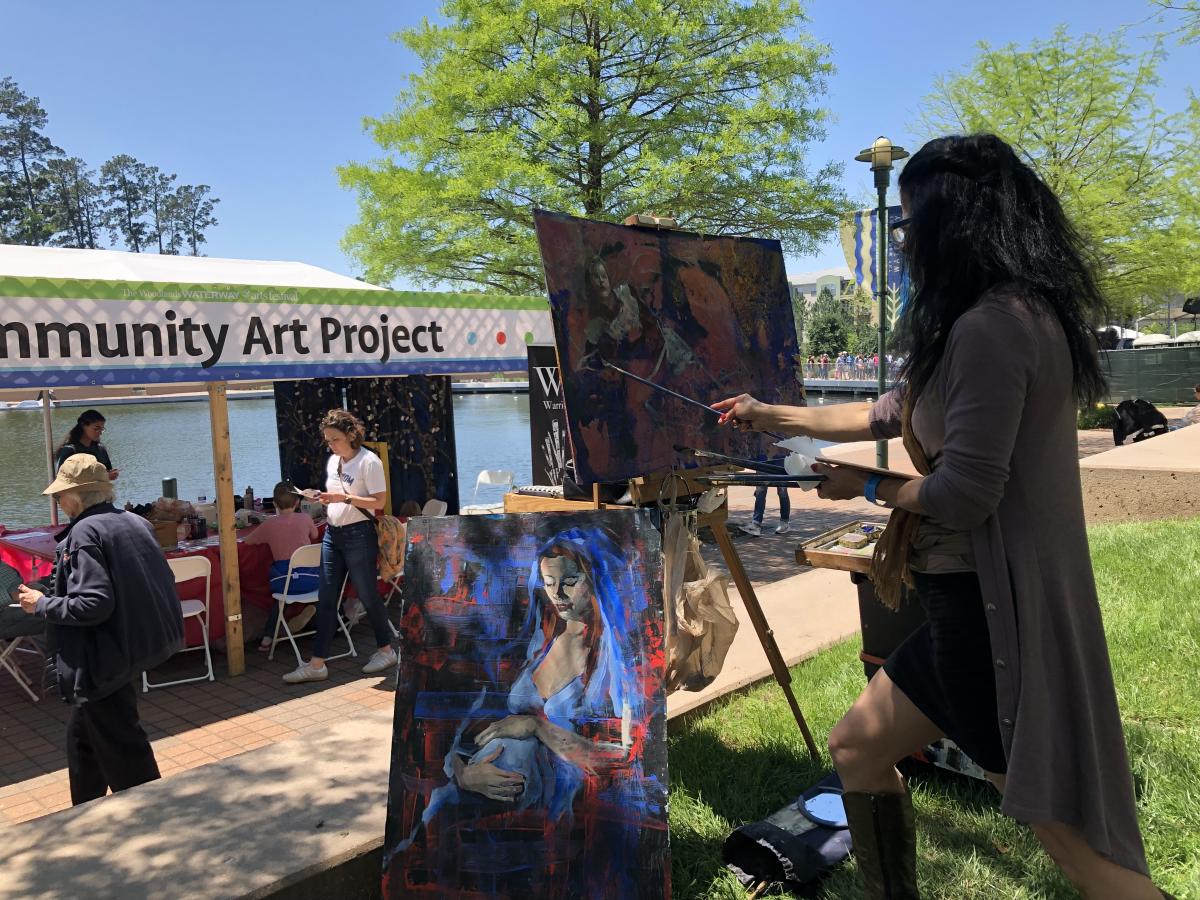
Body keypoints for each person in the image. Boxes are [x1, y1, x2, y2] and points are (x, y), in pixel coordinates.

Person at [713, 134, 1167, 899]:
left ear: (955, 221)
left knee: (1075, 850)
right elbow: (887, 411)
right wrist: (767, 413)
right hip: (963, 609)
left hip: (989, 625)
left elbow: (962, 493)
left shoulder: (994, 327)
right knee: (857, 746)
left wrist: (866, 490)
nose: (906, 241)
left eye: (912, 220)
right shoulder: (1002, 317)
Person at [386, 527, 653, 895]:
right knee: (441, 810)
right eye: (548, 582)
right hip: (488, 790)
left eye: (570, 581)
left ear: (594, 579)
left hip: (555, 807)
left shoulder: (618, 657)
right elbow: (490, 721)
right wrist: (464, 771)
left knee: (450, 825)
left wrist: (536, 727)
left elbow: (626, 758)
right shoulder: (544, 639)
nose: (557, 594)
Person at [15, 454, 183, 806]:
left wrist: (41, 604)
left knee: (125, 751)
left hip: (103, 657)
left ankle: (156, 817)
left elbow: (94, 603)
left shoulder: (84, 533)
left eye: (61, 496)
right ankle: (83, 813)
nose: (59, 503)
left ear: (78, 496)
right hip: (131, 645)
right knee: (83, 741)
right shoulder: (134, 522)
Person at [283, 409, 393, 684]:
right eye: (328, 440)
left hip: (359, 534)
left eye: (335, 439)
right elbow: (339, 496)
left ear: (351, 435)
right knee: (327, 598)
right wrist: (325, 498)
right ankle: (317, 663)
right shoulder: (333, 462)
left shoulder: (370, 462)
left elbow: (378, 502)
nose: (331, 445)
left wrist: (342, 498)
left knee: (368, 594)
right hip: (333, 533)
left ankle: (387, 649)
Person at [245, 482, 320, 652]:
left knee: (280, 599)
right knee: (318, 591)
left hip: (284, 581)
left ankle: (268, 637)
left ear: (274, 504)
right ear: (298, 503)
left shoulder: (270, 524)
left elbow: (248, 541)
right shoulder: (306, 519)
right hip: (313, 580)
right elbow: (315, 535)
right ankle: (324, 625)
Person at [55, 410, 118, 480]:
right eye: (96, 428)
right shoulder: (69, 450)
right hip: (76, 490)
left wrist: (111, 474)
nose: (100, 433)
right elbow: (62, 478)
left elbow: (107, 471)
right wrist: (104, 476)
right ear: (83, 426)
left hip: (100, 490)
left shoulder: (101, 449)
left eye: (102, 429)